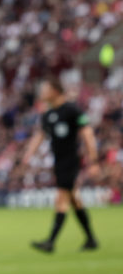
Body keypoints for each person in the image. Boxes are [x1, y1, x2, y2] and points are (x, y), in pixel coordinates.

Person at [21, 76, 99, 253]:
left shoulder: (72, 110)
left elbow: (87, 134)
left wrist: (93, 161)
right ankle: (91, 239)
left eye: (44, 88)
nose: (41, 92)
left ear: (55, 91)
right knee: (75, 201)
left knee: (61, 199)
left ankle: (50, 241)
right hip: (59, 162)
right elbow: (40, 135)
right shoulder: (48, 114)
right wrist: (28, 155)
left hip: (71, 162)